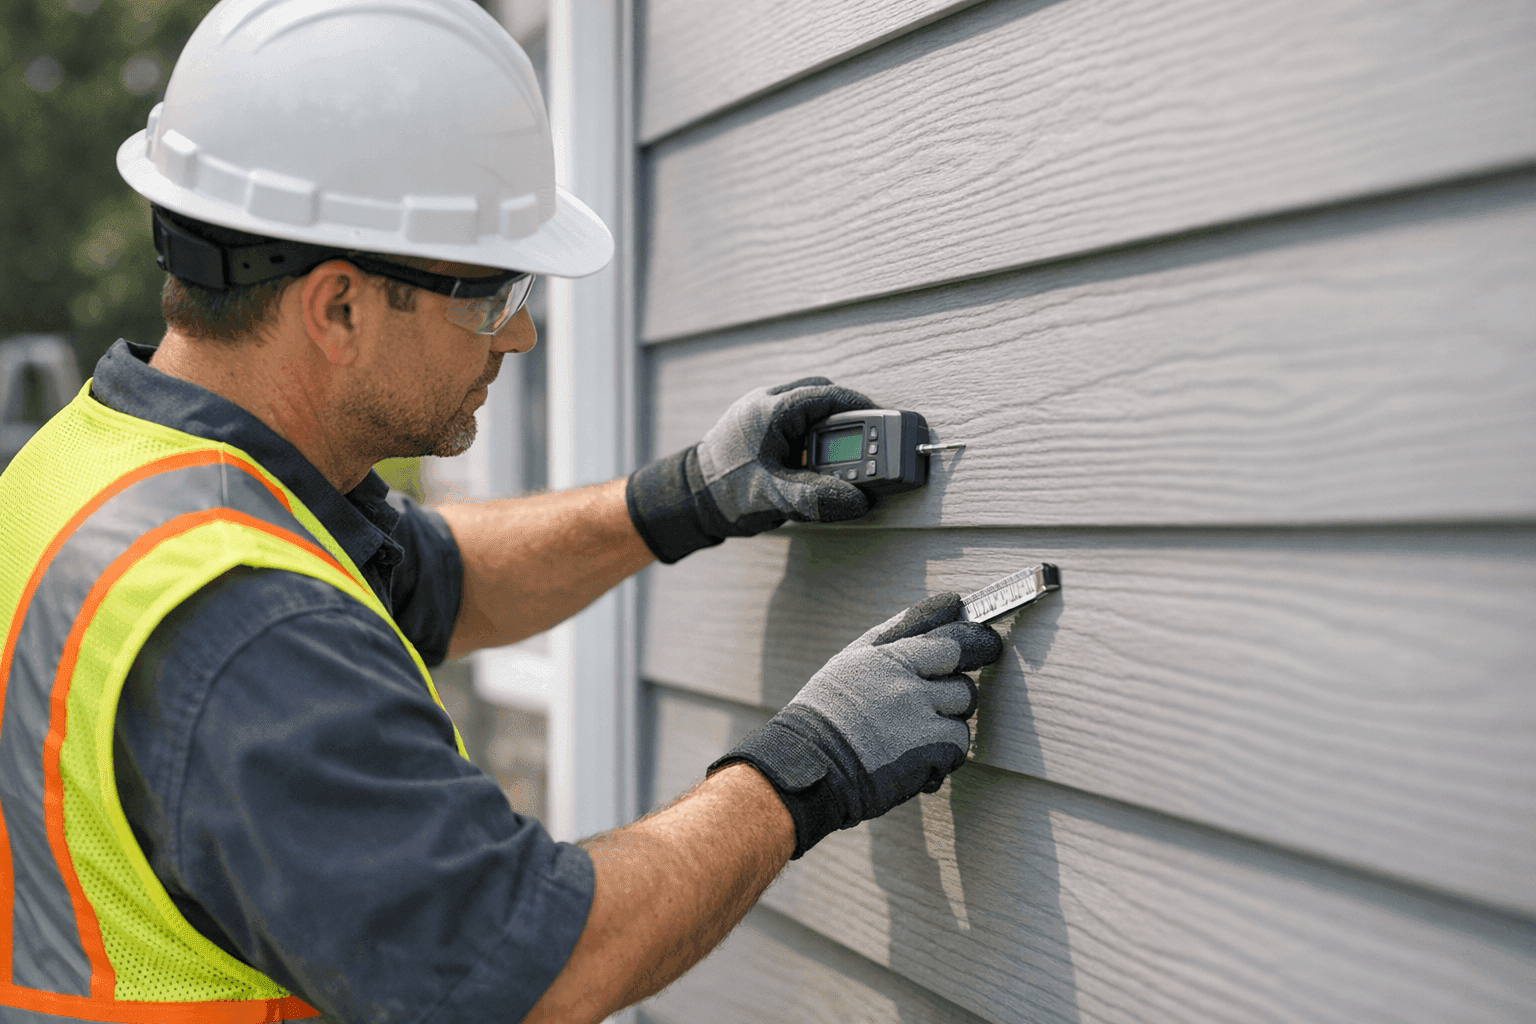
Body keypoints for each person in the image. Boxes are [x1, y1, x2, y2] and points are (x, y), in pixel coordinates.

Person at [0, 0, 1004, 1020]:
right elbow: (527, 968)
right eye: (488, 292)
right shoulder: (243, 625)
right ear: (338, 306)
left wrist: (685, 496)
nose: (517, 335)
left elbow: (431, 576)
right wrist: (806, 771)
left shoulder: (99, 476)